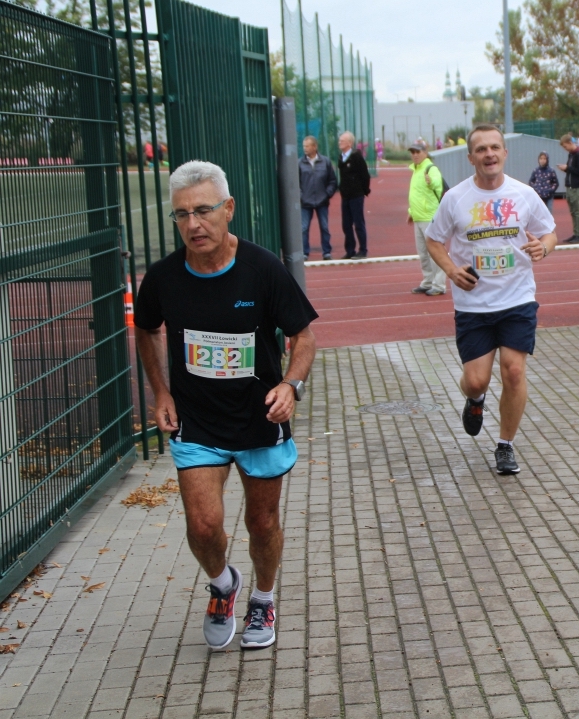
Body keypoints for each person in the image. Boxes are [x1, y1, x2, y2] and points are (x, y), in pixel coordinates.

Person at [133, 160, 318, 651]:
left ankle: (263, 597)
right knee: (202, 525)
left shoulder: (263, 269)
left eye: (203, 210)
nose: (193, 224)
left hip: (260, 420)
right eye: (182, 214)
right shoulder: (164, 277)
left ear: (228, 208)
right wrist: (161, 392)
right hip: (197, 421)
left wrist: (291, 386)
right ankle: (222, 585)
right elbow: (147, 329)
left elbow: (303, 337)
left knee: (262, 523)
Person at [424, 124, 558, 475]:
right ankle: (476, 399)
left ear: (504, 153)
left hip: (517, 299)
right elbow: (434, 240)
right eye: (481, 149)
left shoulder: (524, 194)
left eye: (495, 147)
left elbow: (550, 233)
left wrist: (543, 248)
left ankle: (505, 445)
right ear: (471, 157)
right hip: (473, 304)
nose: (489, 154)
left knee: (514, 371)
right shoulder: (456, 198)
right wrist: (451, 271)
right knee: (476, 380)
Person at [407, 141, 446, 296]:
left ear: (425, 152)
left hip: (429, 216)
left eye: (418, 152)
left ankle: (439, 284)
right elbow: (416, 194)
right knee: (423, 253)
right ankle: (428, 281)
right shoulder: (415, 170)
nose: (415, 155)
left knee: (434, 252)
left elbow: (437, 184)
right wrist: (411, 212)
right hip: (418, 217)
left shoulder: (430, 168)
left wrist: (432, 182)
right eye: (413, 152)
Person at [298, 136, 337, 261]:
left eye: (307, 146)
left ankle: (326, 252)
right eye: (304, 146)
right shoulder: (299, 163)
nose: (305, 148)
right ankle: (304, 252)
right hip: (305, 202)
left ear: (314, 147)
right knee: (304, 228)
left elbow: (332, 181)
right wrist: (301, 196)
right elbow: (296, 182)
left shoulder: (325, 162)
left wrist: (327, 194)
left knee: (324, 227)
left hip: (322, 201)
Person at [338, 131, 371, 259]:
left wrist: (364, 191)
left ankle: (363, 250)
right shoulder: (341, 158)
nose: (340, 142)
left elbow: (365, 175)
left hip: (356, 196)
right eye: (340, 140)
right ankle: (350, 250)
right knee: (346, 224)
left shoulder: (357, 157)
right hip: (345, 196)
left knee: (358, 223)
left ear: (349, 143)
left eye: (342, 141)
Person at [557, 133, 579, 244]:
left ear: (570, 143)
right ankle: (575, 234)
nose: (565, 149)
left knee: (577, 211)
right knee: (573, 211)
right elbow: (572, 169)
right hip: (570, 186)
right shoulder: (571, 154)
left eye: (565, 146)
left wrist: (568, 168)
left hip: (576, 187)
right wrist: (566, 169)